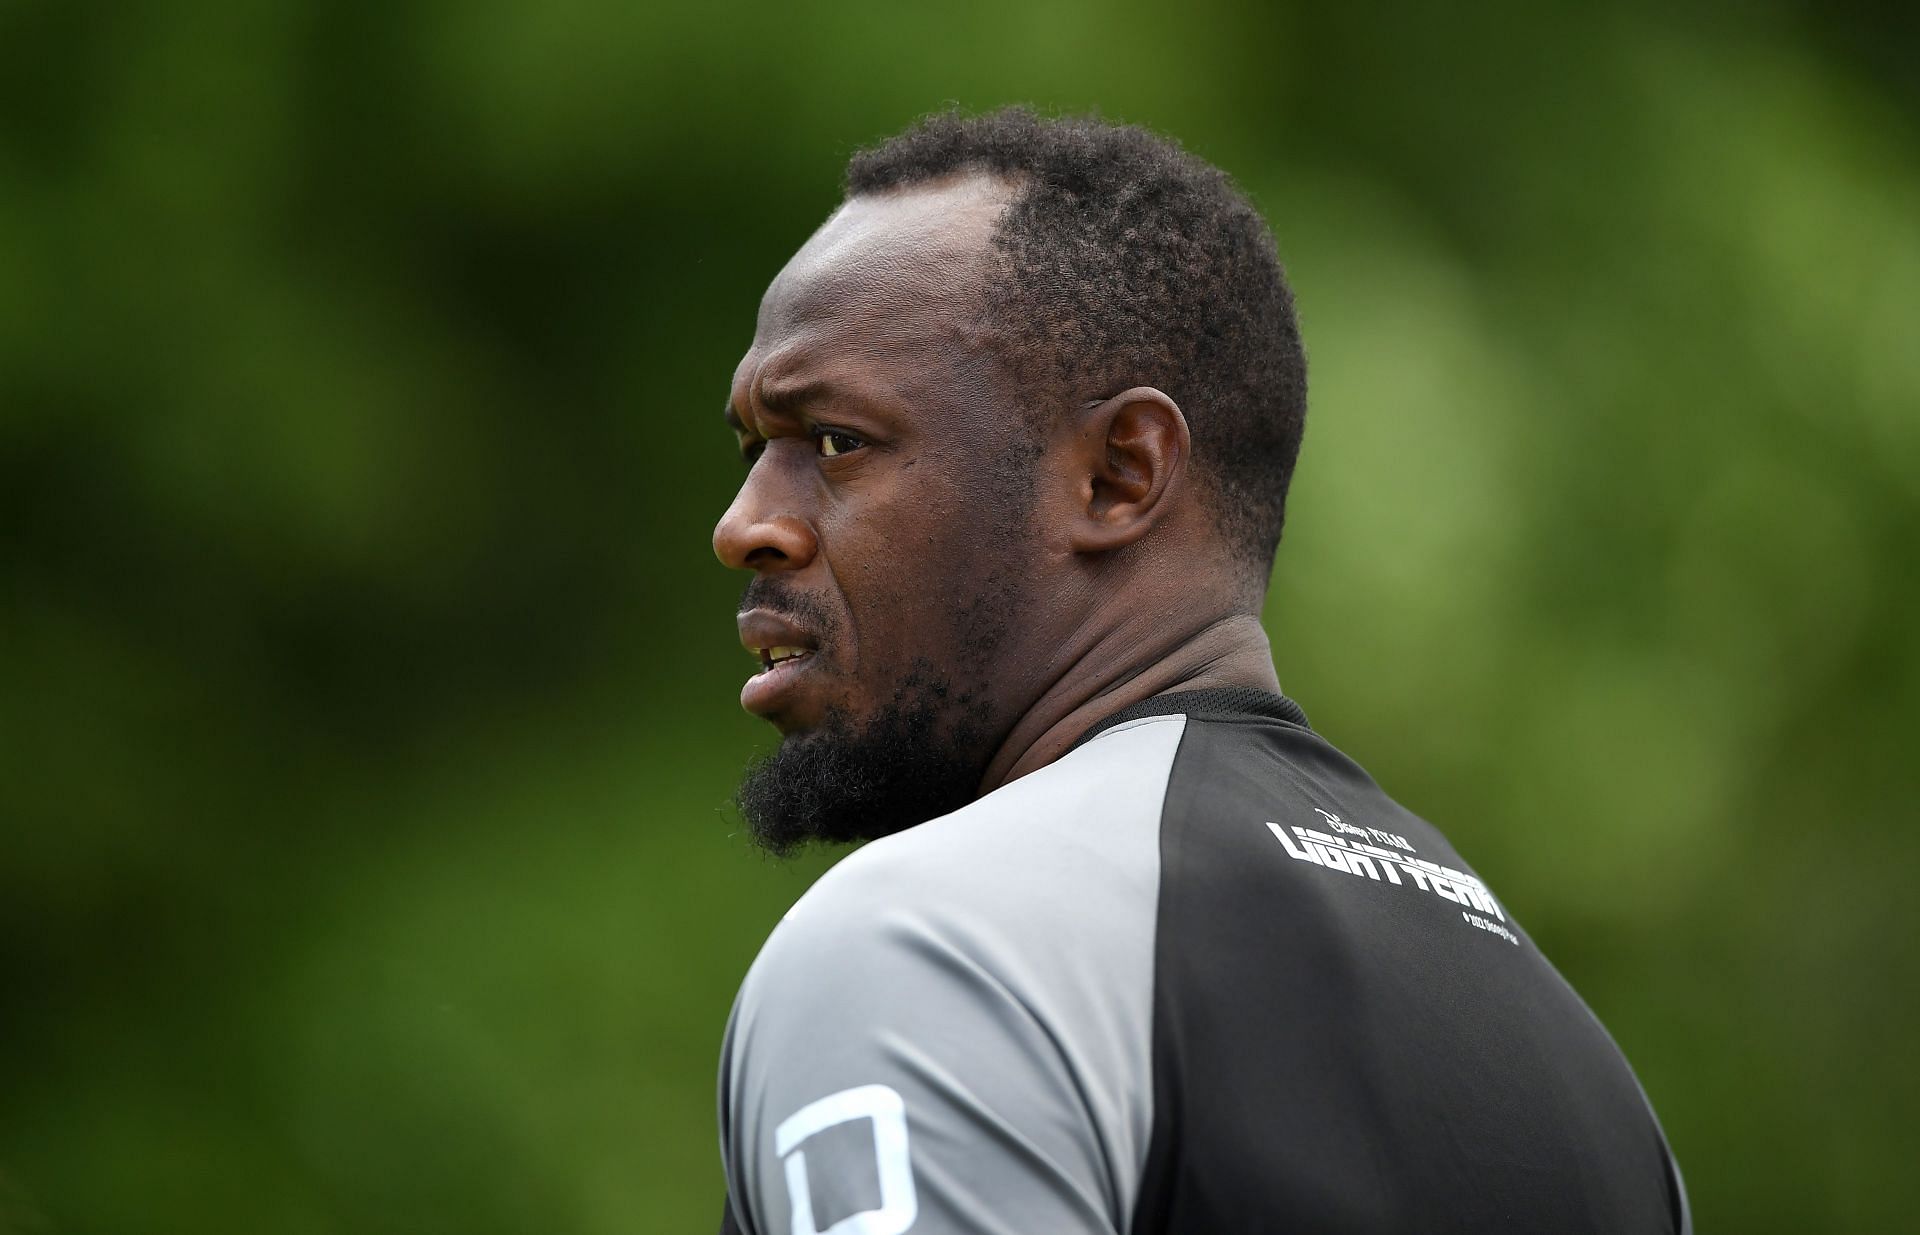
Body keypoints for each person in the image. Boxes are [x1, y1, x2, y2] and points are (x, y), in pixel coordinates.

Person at [710, 107, 1688, 1235]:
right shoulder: (1580, 1069)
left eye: (834, 440)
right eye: (753, 453)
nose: (745, 525)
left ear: (1120, 475)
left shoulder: (927, 945)